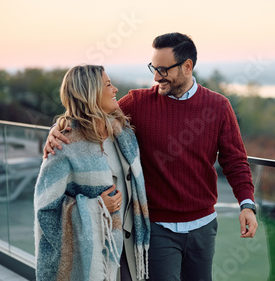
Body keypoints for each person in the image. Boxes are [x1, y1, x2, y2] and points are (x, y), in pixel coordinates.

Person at [44, 33, 258, 280]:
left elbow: (235, 160)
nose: (156, 77)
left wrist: (247, 204)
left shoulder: (219, 106)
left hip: (204, 227)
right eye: (154, 68)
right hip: (157, 229)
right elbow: (91, 117)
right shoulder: (138, 102)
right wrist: (56, 130)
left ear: (187, 67)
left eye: (163, 70)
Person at [34, 65, 150, 281]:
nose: (115, 89)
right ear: (91, 92)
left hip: (127, 245)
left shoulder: (122, 131)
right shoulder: (64, 143)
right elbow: (46, 209)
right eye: (108, 85)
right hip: (93, 256)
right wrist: (97, 208)